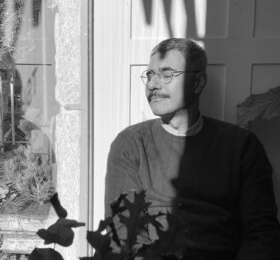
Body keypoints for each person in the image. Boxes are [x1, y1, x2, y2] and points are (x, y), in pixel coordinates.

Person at [105, 38, 280, 260]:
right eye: (150, 75)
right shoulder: (131, 144)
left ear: (198, 82)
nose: (152, 84)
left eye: (166, 74)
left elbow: (262, 234)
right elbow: (122, 232)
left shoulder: (242, 146)